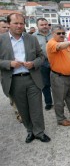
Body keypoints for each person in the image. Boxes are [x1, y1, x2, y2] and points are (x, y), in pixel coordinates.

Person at [0, 13, 51, 143]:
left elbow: (41, 57)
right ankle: (30, 131)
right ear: (8, 24)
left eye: (21, 23)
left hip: (32, 78)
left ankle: (39, 132)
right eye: (16, 23)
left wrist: (33, 63)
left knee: (36, 108)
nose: (19, 26)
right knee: (23, 109)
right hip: (14, 80)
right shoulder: (1, 39)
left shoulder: (31, 38)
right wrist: (9, 64)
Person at [46, 24, 70, 126]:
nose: (62, 35)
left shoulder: (64, 43)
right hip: (58, 77)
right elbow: (58, 47)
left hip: (68, 76)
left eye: (63, 33)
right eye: (59, 33)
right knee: (59, 100)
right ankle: (60, 119)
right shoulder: (52, 43)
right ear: (53, 34)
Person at [0, 19, 22, 123]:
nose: (6, 29)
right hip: (6, 73)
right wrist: (8, 64)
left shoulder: (20, 38)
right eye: (4, 27)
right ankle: (18, 112)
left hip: (21, 73)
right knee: (11, 92)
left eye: (8, 27)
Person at [32, 18, 53, 110]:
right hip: (42, 62)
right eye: (42, 25)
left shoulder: (54, 34)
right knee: (45, 83)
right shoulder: (33, 37)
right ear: (37, 26)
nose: (44, 26)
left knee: (57, 82)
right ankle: (48, 102)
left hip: (55, 61)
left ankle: (59, 101)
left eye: (46, 24)